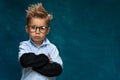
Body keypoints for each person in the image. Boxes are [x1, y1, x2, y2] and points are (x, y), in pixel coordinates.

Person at [18, 3, 63, 80]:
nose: (37, 31)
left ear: (47, 30)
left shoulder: (52, 48)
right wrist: (45, 59)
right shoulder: (24, 45)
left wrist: (34, 65)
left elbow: (56, 69)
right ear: (27, 29)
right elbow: (25, 61)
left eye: (42, 28)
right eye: (33, 27)